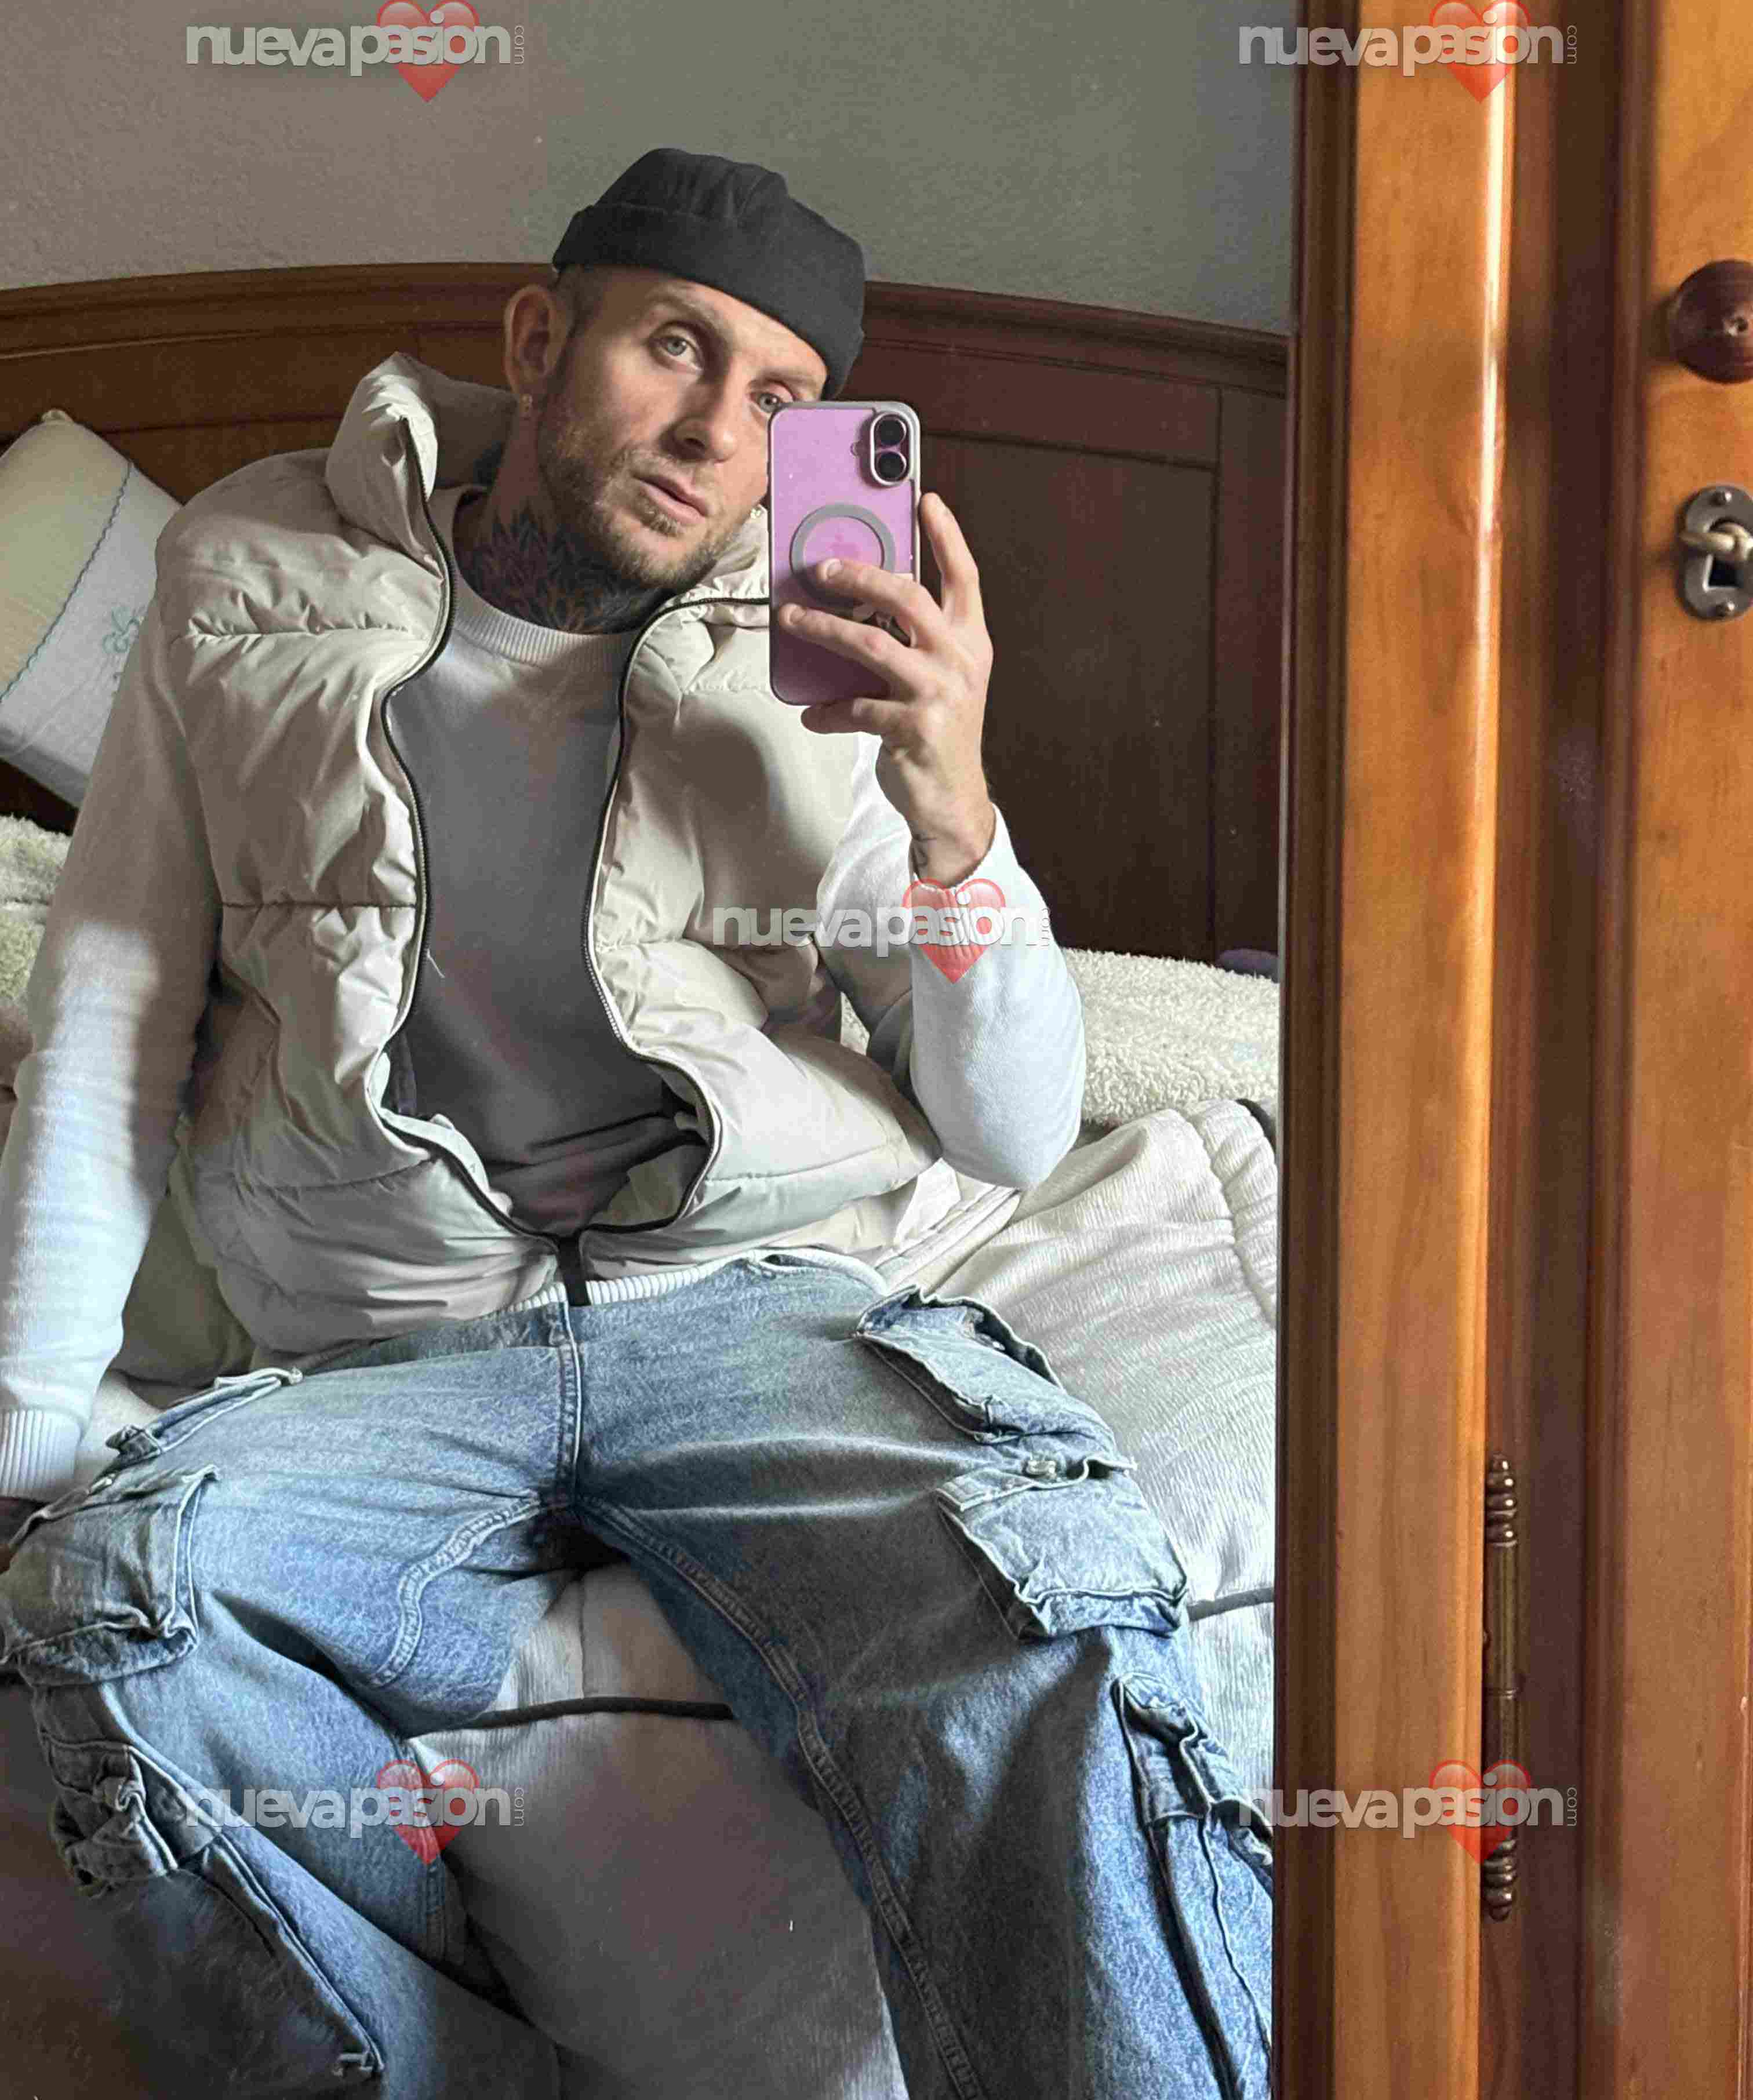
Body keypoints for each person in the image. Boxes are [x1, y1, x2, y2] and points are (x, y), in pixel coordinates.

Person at [0, 148, 1272, 2098]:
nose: (714, 432)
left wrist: (953, 811)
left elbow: (1011, 1129)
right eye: (674, 347)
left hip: (762, 1313)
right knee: (106, 1608)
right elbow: (114, 992)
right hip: (385, 1352)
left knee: (1059, 1616)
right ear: (537, 338)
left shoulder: (816, 651)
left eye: (780, 398)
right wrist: (28, 1418)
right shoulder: (250, 574)